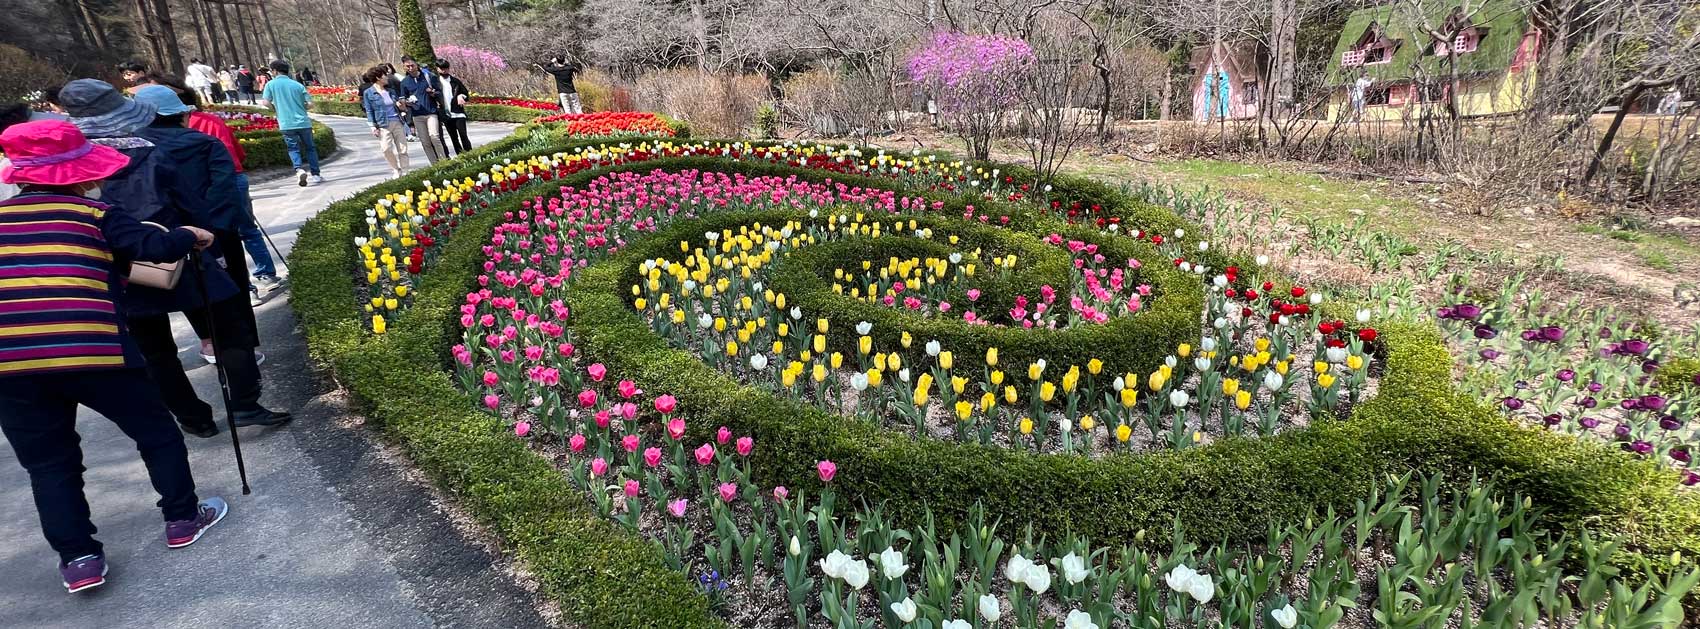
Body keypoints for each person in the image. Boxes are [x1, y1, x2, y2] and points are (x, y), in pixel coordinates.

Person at [0, 119, 230, 594]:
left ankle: (79, 559)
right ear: (82, 174)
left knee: (49, 464)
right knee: (156, 433)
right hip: (94, 347)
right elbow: (154, 246)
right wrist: (191, 235)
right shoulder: (95, 214)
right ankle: (183, 518)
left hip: (11, 364)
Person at [60, 80, 291, 436]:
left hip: (119, 263)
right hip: (177, 250)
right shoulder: (148, 152)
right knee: (228, 328)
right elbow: (189, 206)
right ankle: (244, 403)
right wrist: (206, 244)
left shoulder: (74, 167)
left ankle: (192, 416)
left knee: (154, 349)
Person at [157, 77, 282, 306]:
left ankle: (241, 285)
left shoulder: (156, 140)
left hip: (198, 197)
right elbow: (236, 153)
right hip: (231, 180)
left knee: (216, 242)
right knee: (245, 229)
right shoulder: (212, 122)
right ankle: (265, 274)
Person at [259, 60, 322, 186]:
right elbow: (310, 104)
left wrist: (276, 109)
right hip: (303, 122)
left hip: (286, 122)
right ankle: (316, 175)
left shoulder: (271, 85)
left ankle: (299, 169)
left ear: (275, 71)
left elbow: (265, 102)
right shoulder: (297, 85)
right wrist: (302, 108)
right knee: (310, 148)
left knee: (293, 148)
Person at [361, 66, 410, 178]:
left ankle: (406, 171)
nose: (387, 77)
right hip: (383, 124)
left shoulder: (391, 91)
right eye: (384, 75)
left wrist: (400, 105)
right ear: (378, 77)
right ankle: (396, 169)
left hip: (397, 121)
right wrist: (373, 126)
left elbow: (400, 106)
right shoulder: (369, 93)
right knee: (386, 149)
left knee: (402, 149)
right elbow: (369, 110)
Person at [398, 56, 447, 164]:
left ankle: (444, 161)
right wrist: (406, 103)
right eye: (407, 66)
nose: (410, 68)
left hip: (431, 113)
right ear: (404, 67)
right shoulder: (404, 82)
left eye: (412, 65)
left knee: (434, 137)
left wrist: (433, 92)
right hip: (417, 115)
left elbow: (439, 92)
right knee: (425, 141)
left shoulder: (428, 77)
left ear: (417, 65)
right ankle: (434, 164)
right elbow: (402, 98)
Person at [433, 59, 472, 156]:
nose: (444, 71)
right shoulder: (436, 83)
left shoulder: (455, 81)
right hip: (446, 114)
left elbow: (466, 94)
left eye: (446, 68)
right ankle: (461, 156)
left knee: (463, 135)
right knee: (454, 138)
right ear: (437, 69)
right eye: (441, 68)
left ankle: (471, 155)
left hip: (458, 112)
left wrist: (461, 96)